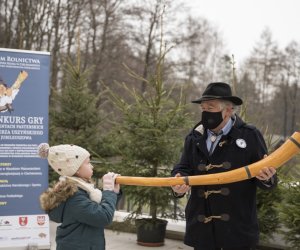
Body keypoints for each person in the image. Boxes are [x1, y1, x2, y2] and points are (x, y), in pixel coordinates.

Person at [171, 82, 277, 250]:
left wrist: (267, 177)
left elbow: (268, 178)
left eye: (210, 108)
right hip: (202, 228)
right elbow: (182, 168)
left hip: (236, 229)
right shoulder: (194, 136)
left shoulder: (249, 135)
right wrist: (177, 183)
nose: (205, 113)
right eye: (203, 108)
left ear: (228, 110)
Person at [38, 143, 121, 250]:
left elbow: (100, 207)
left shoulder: (80, 191)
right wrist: (109, 192)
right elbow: (103, 217)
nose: (92, 166)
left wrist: (113, 193)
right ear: (75, 168)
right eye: (88, 162)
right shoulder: (75, 198)